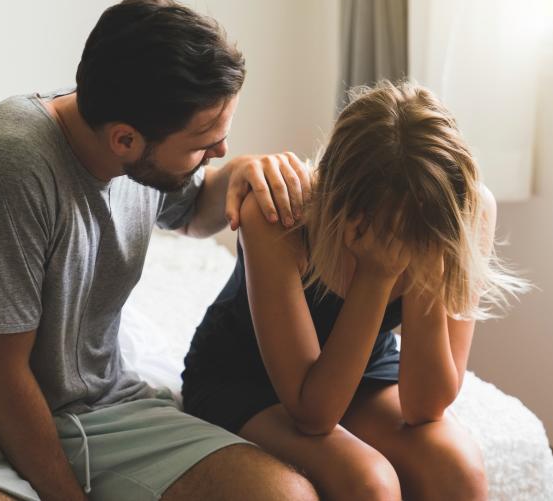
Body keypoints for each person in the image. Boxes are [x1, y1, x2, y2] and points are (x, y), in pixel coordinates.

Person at [0, 0, 319, 501]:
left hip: (105, 409)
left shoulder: (134, 131)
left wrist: (241, 174)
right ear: (125, 141)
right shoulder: (8, 168)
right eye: (205, 143)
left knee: (284, 495)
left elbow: (192, 212)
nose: (220, 150)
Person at [182, 81, 531, 501]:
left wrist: (428, 265)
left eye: (422, 235)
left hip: (360, 360)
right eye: (394, 234)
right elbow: (314, 416)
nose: (405, 250)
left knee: (458, 469)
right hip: (244, 375)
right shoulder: (279, 217)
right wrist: (376, 276)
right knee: (369, 482)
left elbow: (425, 407)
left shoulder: (463, 213)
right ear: (339, 207)